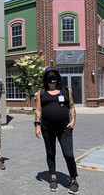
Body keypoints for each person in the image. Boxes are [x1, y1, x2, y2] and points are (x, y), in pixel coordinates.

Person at [34, 66, 79, 194]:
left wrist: (73, 120)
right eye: (49, 76)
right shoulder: (41, 92)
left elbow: (71, 106)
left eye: (54, 75)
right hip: (47, 128)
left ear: (58, 77)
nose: (52, 78)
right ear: (46, 78)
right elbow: (38, 110)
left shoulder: (66, 90)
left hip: (64, 128)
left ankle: (74, 179)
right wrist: (37, 126)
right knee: (50, 152)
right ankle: (53, 177)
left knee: (68, 154)